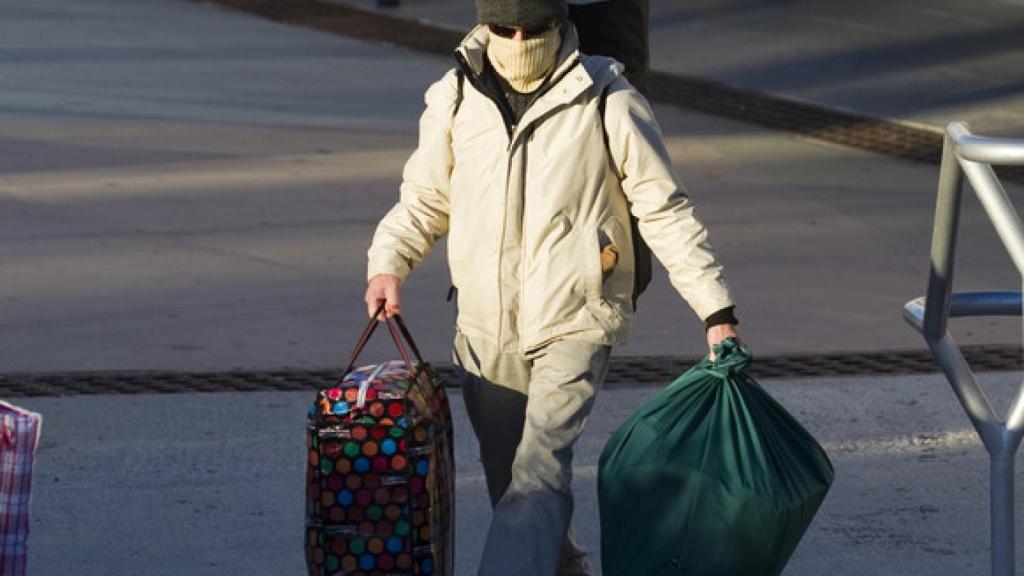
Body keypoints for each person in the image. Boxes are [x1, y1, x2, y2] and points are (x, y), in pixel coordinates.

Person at [364, 0, 740, 573]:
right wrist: (388, 263)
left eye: (533, 28)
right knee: (512, 485)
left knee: (538, 473)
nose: (519, 41)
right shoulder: (455, 96)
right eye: (503, 29)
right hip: (484, 326)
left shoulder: (607, 98)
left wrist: (716, 308)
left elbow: (664, 211)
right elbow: (424, 199)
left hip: (577, 317)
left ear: (559, 23)